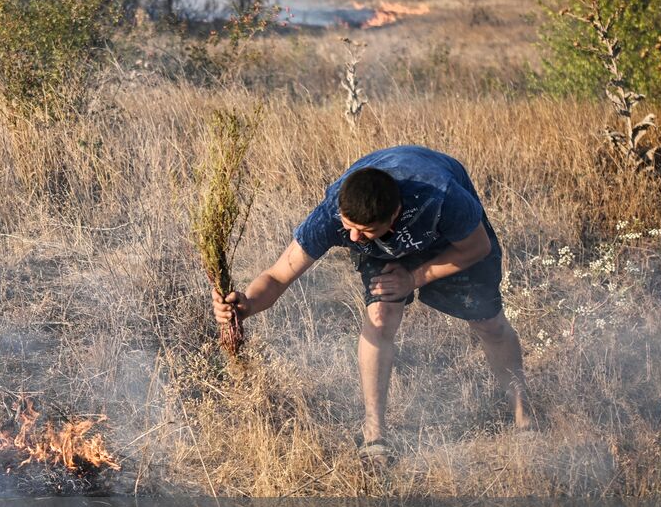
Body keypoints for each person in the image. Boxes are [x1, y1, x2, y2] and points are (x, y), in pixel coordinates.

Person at [211, 145, 533, 463]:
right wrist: (248, 303)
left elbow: (477, 247)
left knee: (487, 322)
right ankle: (374, 434)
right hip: (388, 238)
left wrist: (414, 277)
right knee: (380, 315)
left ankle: (523, 413)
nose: (352, 238)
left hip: (450, 240)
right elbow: (279, 276)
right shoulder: (331, 216)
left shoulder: (443, 197)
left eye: (363, 231)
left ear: (393, 216)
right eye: (348, 227)